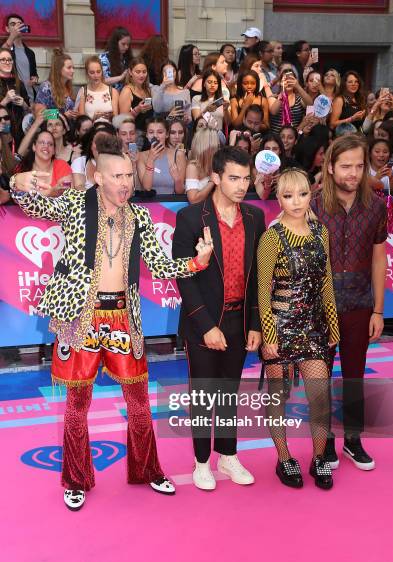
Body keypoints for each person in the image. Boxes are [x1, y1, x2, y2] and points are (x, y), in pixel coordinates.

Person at [10, 139, 213, 510]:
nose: (125, 183)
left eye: (128, 176)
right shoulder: (75, 204)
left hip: (123, 316)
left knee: (138, 403)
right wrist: (17, 183)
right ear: (97, 176)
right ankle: (76, 479)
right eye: (116, 176)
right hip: (80, 317)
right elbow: (35, 204)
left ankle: (148, 469)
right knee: (77, 404)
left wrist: (197, 262)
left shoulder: (139, 217)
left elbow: (160, 266)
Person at [172, 146, 266, 490]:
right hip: (203, 322)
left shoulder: (255, 217)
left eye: (247, 178)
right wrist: (207, 326)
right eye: (234, 178)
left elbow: (257, 275)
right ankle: (201, 462)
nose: (242, 185)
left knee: (229, 392)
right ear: (216, 178)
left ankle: (227, 455)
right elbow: (184, 277)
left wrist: (255, 323)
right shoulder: (191, 218)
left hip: (240, 321)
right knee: (203, 393)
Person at [258, 168, 339, 489]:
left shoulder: (321, 233)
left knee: (321, 398)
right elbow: (263, 291)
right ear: (278, 198)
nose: (296, 202)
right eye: (288, 196)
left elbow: (327, 283)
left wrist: (333, 324)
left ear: (311, 194)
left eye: (302, 194)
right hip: (280, 326)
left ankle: (320, 459)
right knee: (278, 398)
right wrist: (269, 335)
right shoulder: (271, 237)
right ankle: (284, 458)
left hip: (315, 329)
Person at [311, 134, 387, 471]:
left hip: (359, 305)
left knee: (355, 376)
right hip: (318, 308)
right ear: (330, 167)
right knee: (320, 376)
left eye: (359, 166)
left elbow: (378, 259)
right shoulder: (311, 205)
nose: (353, 173)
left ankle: (353, 442)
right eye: (346, 166)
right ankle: (324, 442)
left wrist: (379, 310)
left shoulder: (377, 206)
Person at [137, 116, 186, 194]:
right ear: (147, 135)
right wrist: (151, 159)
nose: (155, 136)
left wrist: (177, 180)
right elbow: (146, 188)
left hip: (172, 204)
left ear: (167, 134)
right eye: (151, 132)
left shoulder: (178, 155)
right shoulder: (141, 156)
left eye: (160, 132)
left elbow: (180, 192)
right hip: (150, 204)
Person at [17, 129, 72, 195]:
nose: (46, 146)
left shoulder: (62, 165)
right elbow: (18, 196)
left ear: (54, 151)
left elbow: (67, 195)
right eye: (42, 142)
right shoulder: (22, 167)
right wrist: (51, 192)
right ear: (34, 147)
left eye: (50, 144)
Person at [2, 13, 39, 103]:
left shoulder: (30, 53)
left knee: (55, 114)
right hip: (13, 99)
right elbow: (2, 53)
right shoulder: (5, 48)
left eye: (19, 24)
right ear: (7, 29)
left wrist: (35, 79)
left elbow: (34, 75)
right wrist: (12, 36)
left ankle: (63, 116)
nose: (17, 27)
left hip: (30, 98)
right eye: (13, 24)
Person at [269, 63, 313, 134]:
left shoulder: (299, 99)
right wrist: (283, 90)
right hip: (276, 138)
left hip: (294, 137)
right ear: (280, 82)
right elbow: (274, 111)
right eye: (285, 79)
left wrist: (298, 86)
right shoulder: (273, 98)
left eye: (291, 79)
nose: (288, 82)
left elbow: (310, 104)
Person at [71, 123, 117, 190]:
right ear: (91, 145)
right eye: (97, 141)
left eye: (105, 142)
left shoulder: (119, 164)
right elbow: (79, 188)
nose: (100, 146)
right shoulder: (80, 162)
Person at [0, 47, 29, 146]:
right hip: (2, 132)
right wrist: (5, 101)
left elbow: (30, 110)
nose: (7, 62)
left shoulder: (19, 83)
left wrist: (24, 104)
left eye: (9, 60)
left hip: (19, 133)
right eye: (3, 60)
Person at [34, 49, 76, 118]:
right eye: (69, 68)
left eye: (73, 68)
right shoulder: (46, 87)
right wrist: (62, 115)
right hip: (53, 127)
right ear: (59, 69)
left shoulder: (68, 86)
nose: (73, 71)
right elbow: (39, 114)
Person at [76, 56, 119, 121]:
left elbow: (116, 120)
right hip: (90, 129)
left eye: (98, 72)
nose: (96, 76)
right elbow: (81, 122)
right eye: (92, 72)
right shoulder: (82, 92)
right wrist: (94, 119)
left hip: (108, 129)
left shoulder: (113, 91)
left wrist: (111, 117)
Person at [118, 58, 154, 133]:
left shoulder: (148, 89)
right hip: (134, 134)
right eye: (138, 72)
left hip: (149, 132)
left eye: (144, 72)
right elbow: (123, 120)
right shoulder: (127, 91)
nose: (141, 75)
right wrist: (137, 110)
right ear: (130, 72)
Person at [185, 126, 219, 204]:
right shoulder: (193, 167)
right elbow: (193, 200)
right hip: (198, 212)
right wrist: (212, 182)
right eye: (216, 145)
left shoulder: (217, 164)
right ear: (207, 147)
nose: (218, 148)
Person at [99, 27, 132, 92]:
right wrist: (121, 77)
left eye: (128, 44)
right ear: (115, 43)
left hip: (125, 94)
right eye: (123, 44)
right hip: (109, 95)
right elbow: (102, 80)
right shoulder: (104, 58)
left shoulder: (127, 57)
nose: (126, 47)